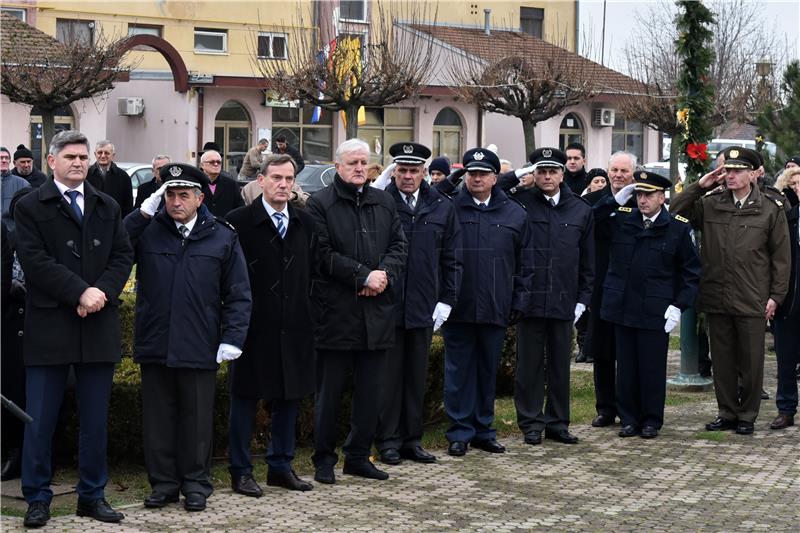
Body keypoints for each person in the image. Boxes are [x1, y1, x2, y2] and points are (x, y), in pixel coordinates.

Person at [13, 130, 133, 527]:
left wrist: (101, 293)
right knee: (40, 419)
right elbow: (34, 261)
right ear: (51, 161)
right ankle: (37, 497)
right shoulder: (30, 205)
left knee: (95, 421)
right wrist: (80, 292)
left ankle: (91, 496)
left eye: (83, 156)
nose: (79, 162)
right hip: (50, 325)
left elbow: (122, 254)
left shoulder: (107, 205)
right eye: (71, 157)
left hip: (97, 325)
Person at [124, 163, 251, 512]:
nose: (175, 202)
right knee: (158, 420)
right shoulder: (149, 231)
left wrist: (232, 337)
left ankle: (196, 484)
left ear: (199, 198)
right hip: (156, 341)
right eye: (170, 194)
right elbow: (115, 247)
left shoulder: (222, 235)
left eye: (183, 195)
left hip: (200, 343)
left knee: (196, 421)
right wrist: (139, 215)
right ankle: (163, 484)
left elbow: (239, 293)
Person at [306, 139, 406, 484]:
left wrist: (383, 276)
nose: (360, 168)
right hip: (336, 314)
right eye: (352, 163)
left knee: (370, 394)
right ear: (337, 167)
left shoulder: (384, 201)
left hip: (376, 314)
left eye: (364, 162)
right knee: (329, 395)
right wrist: (362, 275)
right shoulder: (320, 205)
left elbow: (399, 246)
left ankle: (359, 456)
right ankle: (323, 460)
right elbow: (321, 254)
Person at [671, 146, 790, 435]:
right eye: (727, 170)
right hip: (716, 293)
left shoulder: (770, 209)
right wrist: (699, 186)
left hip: (752, 296)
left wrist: (776, 296)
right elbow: (674, 211)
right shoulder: (711, 204)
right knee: (721, 361)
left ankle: (747, 414)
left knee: (751, 361)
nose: (731, 175)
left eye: (737, 171)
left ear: (752, 174)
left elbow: (782, 258)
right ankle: (727, 412)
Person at [225, 154, 317, 495]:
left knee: (289, 397)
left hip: (295, 326)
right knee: (244, 398)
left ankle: (281, 465)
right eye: (276, 177)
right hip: (251, 326)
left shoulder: (305, 224)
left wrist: (311, 312)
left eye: (288, 179)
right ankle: (240, 470)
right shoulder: (238, 221)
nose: (282, 184)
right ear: (260, 180)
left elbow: (316, 273)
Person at [595, 171, 700, 438]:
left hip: (656, 309)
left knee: (652, 368)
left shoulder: (677, 227)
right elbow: (590, 222)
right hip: (623, 306)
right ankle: (628, 418)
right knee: (626, 369)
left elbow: (691, 272)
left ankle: (652, 419)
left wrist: (679, 305)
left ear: (662, 197)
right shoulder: (621, 219)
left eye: (648, 195)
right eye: (639, 194)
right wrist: (612, 200)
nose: (642, 200)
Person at [376, 143, 462, 466]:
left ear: (424, 172)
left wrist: (447, 300)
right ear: (394, 172)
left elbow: (452, 257)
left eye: (414, 170)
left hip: (424, 305)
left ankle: (412, 440)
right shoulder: (382, 203)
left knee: (416, 376)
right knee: (389, 378)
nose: (408, 176)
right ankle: (387, 441)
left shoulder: (440, 205)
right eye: (402, 170)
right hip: (388, 304)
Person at [443, 147, 530, 457]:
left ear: (496, 178)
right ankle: (459, 432)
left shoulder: (515, 213)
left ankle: (483, 430)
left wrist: (519, 299)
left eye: (482, 174)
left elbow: (524, 264)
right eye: (471, 173)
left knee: (486, 371)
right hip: (459, 305)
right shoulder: (450, 208)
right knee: (458, 373)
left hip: (496, 304)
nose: (476, 179)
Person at [512, 147, 594, 446]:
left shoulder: (580, 209)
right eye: (541, 171)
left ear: (563, 174)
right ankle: (531, 423)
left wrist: (583, 299)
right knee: (529, 367)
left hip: (563, 299)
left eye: (553, 171)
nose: (547, 176)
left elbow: (588, 260)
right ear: (533, 174)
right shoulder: (519, 204)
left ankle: (558, 423)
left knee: (560, 366)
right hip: (529, 298)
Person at [582, 151, 638, 428]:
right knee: (602, 353)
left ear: (633, 174)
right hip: (602, 286)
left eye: (624, 171)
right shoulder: (593, 201)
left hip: (632, 289)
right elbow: (586, 225)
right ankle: (605, 408)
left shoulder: (643, 201)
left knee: (628, 353)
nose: (618, 175)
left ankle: (629, 408)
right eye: (613, 170)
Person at [770, 167, 799, 430]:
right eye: (796, 184)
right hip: (789, 301)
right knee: (785, 359)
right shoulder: (786, 218)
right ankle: (786, 409)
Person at [86, 140, 134, 217]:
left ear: (113, 155)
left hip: (115, 222)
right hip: (91, 222)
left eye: (107, 153)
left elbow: (128, 206)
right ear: (95, 154)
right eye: (100, 152)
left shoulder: (124, 177)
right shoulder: (86, 175)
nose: (103, 156)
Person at [200, 149, 244, 217]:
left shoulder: (231, 184)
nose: (216, 164)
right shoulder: (196, 184)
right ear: (202, 165)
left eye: (218, 162)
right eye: (212, 162)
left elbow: (240, 209)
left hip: (225, 225)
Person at [1, 146, 30, 231]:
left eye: (6, 158)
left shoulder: (23, 184)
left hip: (13, 236)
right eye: (1, 158)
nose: (4, 160)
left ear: (10, 161)